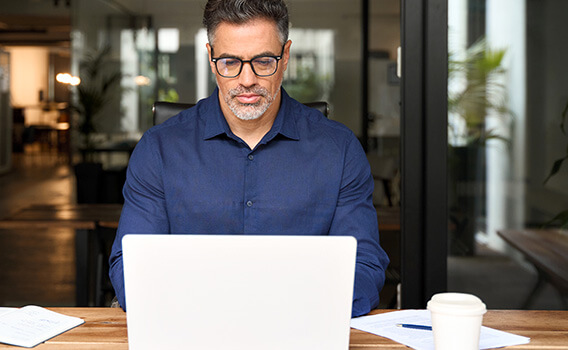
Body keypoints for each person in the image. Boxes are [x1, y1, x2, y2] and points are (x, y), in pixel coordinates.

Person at [109, 0, 389, 317]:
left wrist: (276, 311)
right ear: (212, 59)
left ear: (285, 57)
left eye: (263, 61)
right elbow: (130, 269)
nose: (246, 80)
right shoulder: (158, 150)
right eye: (230, 62)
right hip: (191, 331)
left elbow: (363, 266)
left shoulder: (339, 150)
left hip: (300, 331)